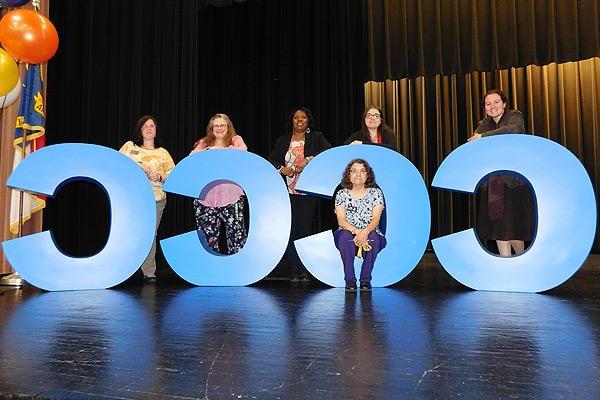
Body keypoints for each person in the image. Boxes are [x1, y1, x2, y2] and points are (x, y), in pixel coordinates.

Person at [468, 89, 534, 256]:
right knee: (500, 227)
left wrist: (483, 137)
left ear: (504, 104)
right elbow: (473, 142)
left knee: (513, 228)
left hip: (514, 182)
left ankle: (520, 260)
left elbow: (515, 130)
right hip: (493, 183)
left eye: (496, 102)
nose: (492, 107)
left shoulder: (514, 116)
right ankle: (507, 262)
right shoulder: (484, 123)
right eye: (488, 104)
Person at [269, 107, 331, 283]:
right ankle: (293, 270)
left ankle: (304, 269)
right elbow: (272, 159)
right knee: (291, 230)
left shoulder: (316, 137)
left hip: (307, 192)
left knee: (304, 230)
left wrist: (309, 159)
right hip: (286, 192)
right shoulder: (283, 140)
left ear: (308, 121)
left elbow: (328, 151)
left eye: (303, 117)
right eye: (296, 117)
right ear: (292, 121)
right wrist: (282, 169)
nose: (299, 120)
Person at [119, 115, 175, 283]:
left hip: (156, 199)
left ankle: (149, 273)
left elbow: (173, 176)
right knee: (131, 232)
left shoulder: (163, 153)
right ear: (140, 130)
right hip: (133, 198)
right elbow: (117, 162)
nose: (149, 129)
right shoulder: (130, 147)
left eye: (152, 126)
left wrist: (159, 176)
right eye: (145, 126)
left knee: (150, 234)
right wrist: (139, 167)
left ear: (156, 131)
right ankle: (125, 269)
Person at [191, 113, 248, 254]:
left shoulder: (236, 141)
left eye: (222, 125)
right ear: (211, 128)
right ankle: (208, 273)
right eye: (215, 126)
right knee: (207, 241)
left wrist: (216, 153)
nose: (219, 128)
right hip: (206, 198)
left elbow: (243, 154)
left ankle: (237, 273)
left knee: (237, 238)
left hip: (231, 197)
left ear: (228, 127)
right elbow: (191, 160)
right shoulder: (203, 143)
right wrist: (208, 151)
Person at [334, 158, 386, 292]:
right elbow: (341, 220)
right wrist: (357, 231)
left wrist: (365, 232)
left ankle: (365, 280)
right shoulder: (341, 194)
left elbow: (376, 219)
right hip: (347, 231)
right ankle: (350, 281)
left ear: (367, 175)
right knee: (345, 238)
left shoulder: (376, 193)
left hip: (371, 231)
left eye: (362, 171)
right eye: (354, 171)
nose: (358, 174)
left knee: (373, 238)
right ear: (348, 175)